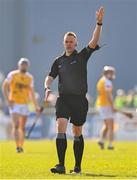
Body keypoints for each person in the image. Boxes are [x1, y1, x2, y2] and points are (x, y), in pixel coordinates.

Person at [44, 7, 104, 174]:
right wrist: (47, 87)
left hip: (79, 100)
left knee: (77, 131)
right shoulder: (58, 61)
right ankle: (61, 165)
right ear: (64, 43)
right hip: (63, 99)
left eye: (71, 41)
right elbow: (50, 76)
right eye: (66, 41)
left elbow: (94, 40)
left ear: (76, 43)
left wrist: (99, 23)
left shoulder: (82, 56)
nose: (69, 43)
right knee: (61, 125)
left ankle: (77, 166)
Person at [2, 58, 40, 153]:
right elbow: (4, 87)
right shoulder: (13, 75)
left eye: (25, 64)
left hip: (25, 104)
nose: (23, 66)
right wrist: (8, 100)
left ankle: (21, 146)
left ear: (27, 66)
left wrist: (36, 106)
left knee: (22, 127)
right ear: (19, 65)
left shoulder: (29, 78)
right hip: (14, 103)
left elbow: (32, 93)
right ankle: (17, 146)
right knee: (16, 125)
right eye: (22, 64)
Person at [96, 66, 116, 150]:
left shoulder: (101, 80)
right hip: (106, 105)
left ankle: (101, 140)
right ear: (107, 73)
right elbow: (108, 95)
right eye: (111, 73)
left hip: (100, 104)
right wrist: (112, 106)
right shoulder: (107, 82)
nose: (112, 75)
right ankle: (110, 145)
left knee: (106, 125)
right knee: (111, 125)